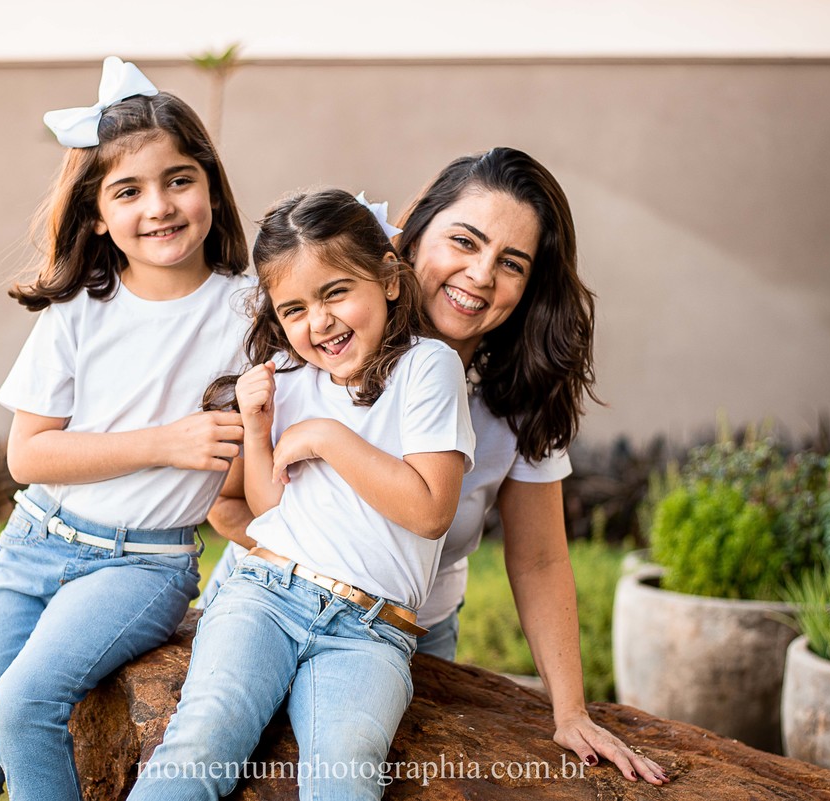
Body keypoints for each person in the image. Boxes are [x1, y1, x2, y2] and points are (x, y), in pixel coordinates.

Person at [203, 149, 669, 785]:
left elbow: (539, 559)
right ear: (409, 242)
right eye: (464, 241)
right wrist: (312, 571)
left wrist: (570, 711)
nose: (480, 275)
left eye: (512, 264)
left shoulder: (515, 399)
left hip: (402, 634)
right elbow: (226, 501)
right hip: (265, 609)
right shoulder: (320, 339)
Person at [0, 57, 252, 801]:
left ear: (210, 184)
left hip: (140, 566)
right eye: (128, 190)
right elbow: (29, 454)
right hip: (33, 545)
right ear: (98, 214)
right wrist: (166, 442)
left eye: (179, 179)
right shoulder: (80, 309)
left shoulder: (250, 309)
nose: (160, 206)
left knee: (24, 704)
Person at [128, 189, 474, 800]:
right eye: (293, 309)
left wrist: (326, 435)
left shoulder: (428, 367)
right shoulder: (289, 376)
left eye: (335, 292)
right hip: (265, 594)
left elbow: (429, 509)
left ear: (390, 280)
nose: (318, 323)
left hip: (371, 629)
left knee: (347, 771)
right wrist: (260, 431)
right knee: (206, 734)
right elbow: (269, 509)